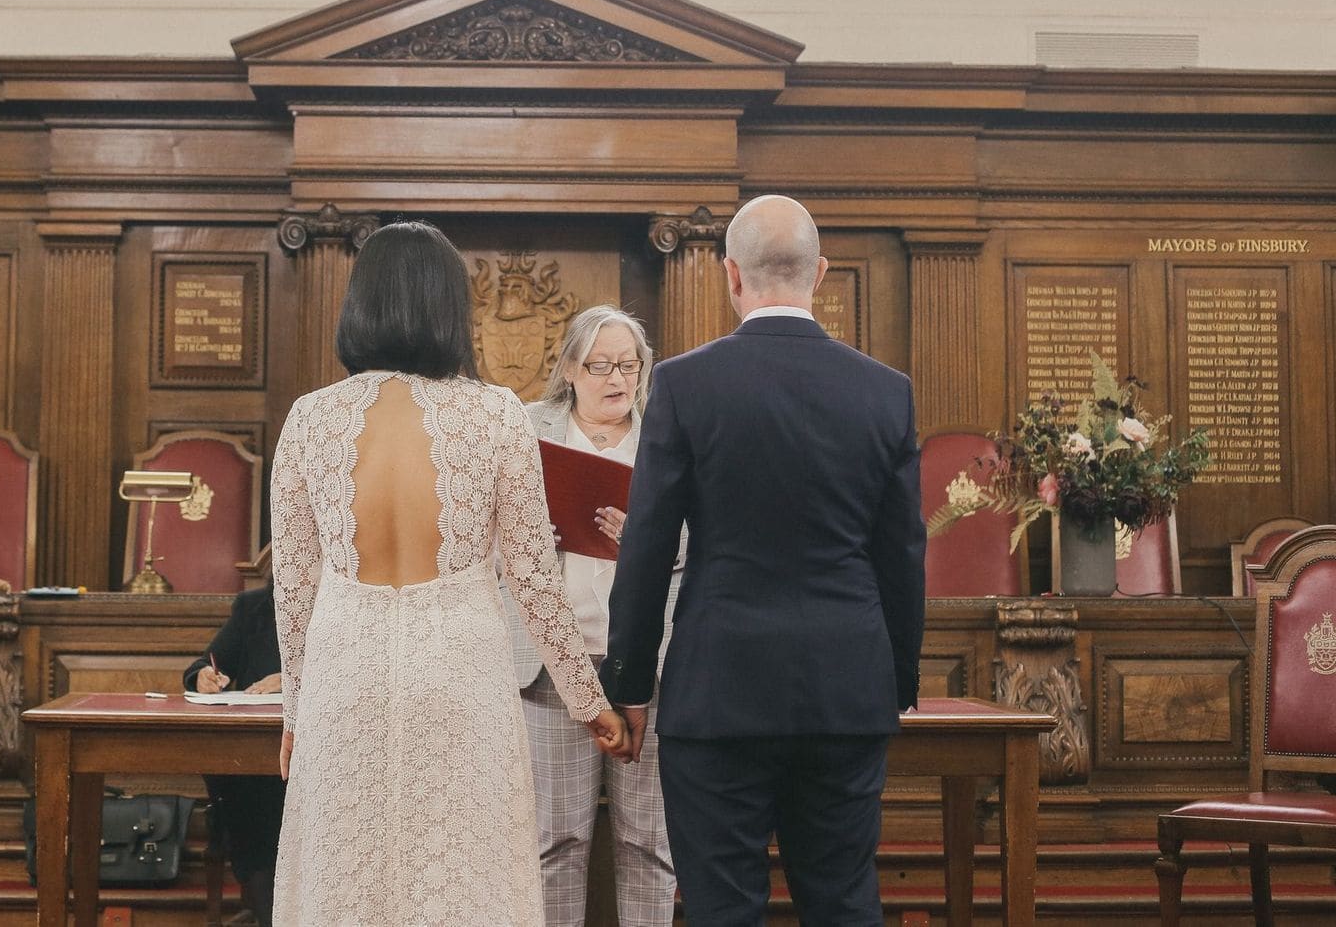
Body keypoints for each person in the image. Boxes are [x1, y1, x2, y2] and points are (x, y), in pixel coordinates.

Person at [269, 220, 631, 927]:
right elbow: (532, 579)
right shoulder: (495, 415)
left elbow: (295, 590)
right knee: (464, 883)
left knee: (347, 881)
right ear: (448, 307)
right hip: (459, 677)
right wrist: (590, 701)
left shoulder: (310, 419)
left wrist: (294, 714)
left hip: (346, 678)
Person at [604, 195, 926, 927]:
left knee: (722, 908)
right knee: (843, 901)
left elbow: (647, 544)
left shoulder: (686, 386)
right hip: (846, 687)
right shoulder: (886, 393)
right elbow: (903, 554)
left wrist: (629, 683)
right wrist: (896, 679)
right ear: (821, 275)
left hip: (719, 689)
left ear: (731, 275)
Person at [504, 305, 679, 927]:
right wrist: (525, 538)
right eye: (602, 365)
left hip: (648, 670)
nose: (618, 379)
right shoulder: (526, 430)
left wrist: (653, 541)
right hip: (552, 668)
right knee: (555, 844)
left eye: (629, 365)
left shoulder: (667, 431)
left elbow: (713, 539)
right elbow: (479, 537)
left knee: (649, 847)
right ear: (572, 368)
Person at [183, 584, 283, 925]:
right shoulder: (254, 606)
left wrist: (293, 679)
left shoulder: (337, 599)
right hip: (256, 759)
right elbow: (204, 662)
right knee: (243, 795)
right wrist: (203, 676)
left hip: (321, 753)